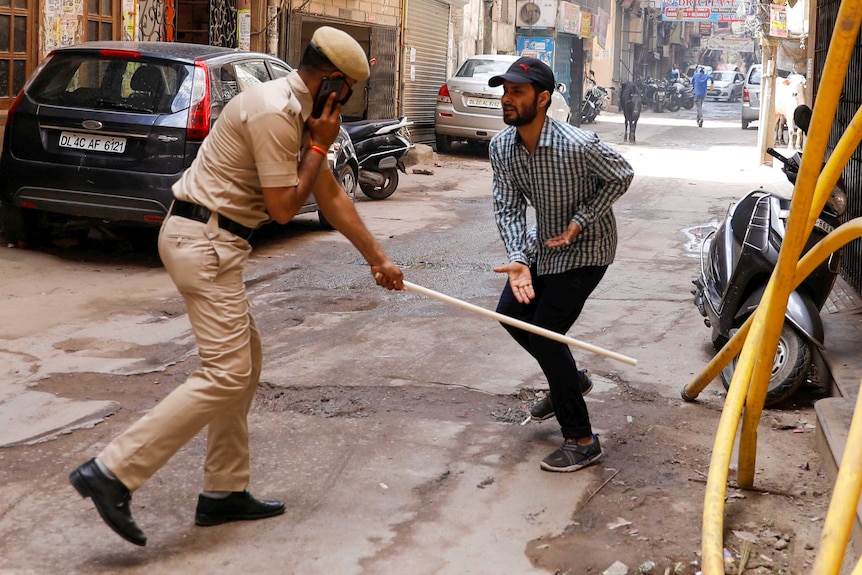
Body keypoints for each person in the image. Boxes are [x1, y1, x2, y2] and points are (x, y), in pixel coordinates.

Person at [68, 26, 404, 546]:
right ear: (334, 83)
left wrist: (379, 260)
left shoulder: (296, 113)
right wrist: (319, 143)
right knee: (226, 373)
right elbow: (284, 209)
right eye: (348, 92)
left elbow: (331, 198)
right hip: (204, 241)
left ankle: (223, 492)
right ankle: (112, 471)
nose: (346, 104)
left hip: (213, 242)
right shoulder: (274, 111)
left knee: (243, 368)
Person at [487, 57, 634, 473]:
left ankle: (582, 439)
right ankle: (568, 380)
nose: (507, 99)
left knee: (547, 335)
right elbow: (508, 206)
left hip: (588, 249)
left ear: (543, 98)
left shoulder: (578, 145)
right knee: (512, 314)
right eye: (505, 91)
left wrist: (580, 220)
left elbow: (622, 174)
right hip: (543, 244)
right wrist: (518, 258)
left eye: (517, 91)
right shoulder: (502, 147)